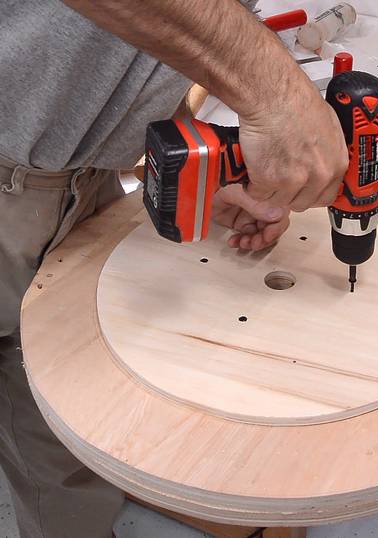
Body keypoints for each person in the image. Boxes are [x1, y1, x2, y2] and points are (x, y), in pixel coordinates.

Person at [0, 1, 349, 537]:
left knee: (66, 406)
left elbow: (132, 50)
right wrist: (274, 89)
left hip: (79, 176)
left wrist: (191, 164)